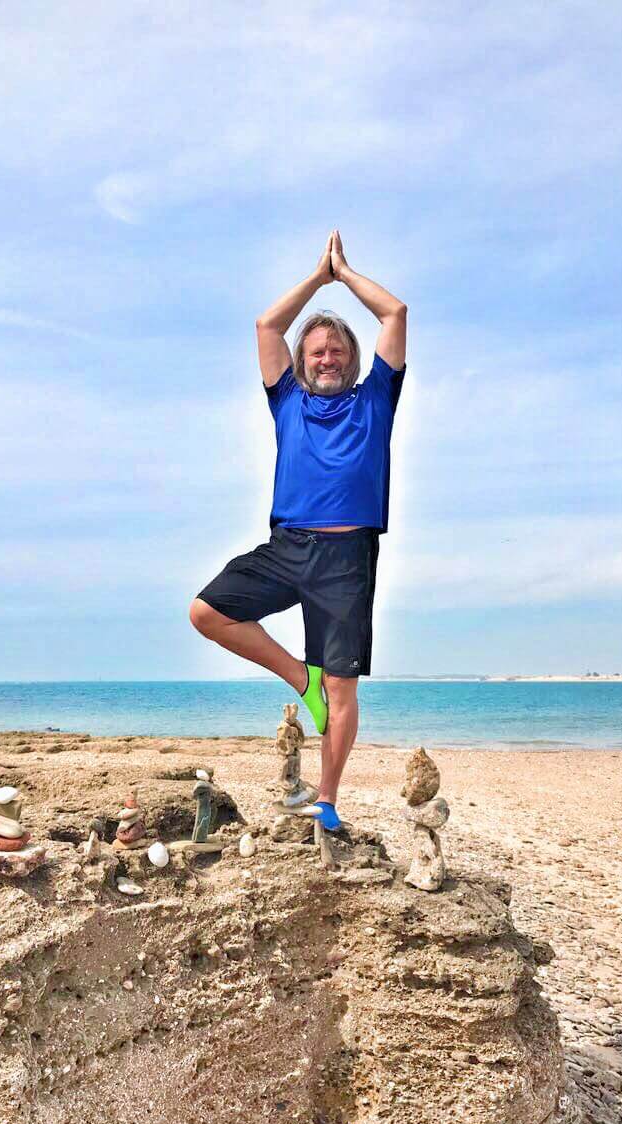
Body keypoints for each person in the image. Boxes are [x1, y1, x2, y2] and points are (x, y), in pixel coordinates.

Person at [190, 230, 407, 830]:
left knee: (343, 692)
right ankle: (297, 676)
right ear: (302, 360)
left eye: (337, 351)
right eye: (316, 351)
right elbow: (266, 325)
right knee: (208, 612)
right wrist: (317, 278)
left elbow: (394, 311)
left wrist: (346, 273)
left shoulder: (376, 400)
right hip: (290, 546)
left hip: (347, 558)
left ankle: (328, 798)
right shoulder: (286, 399)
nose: (327, 359)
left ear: (353, 359)